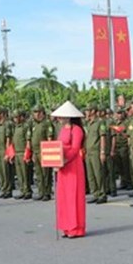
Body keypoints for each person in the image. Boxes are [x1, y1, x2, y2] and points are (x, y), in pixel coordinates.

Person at [51, 102, 86, 239]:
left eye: (61, 116)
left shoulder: (76, 130)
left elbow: (75, 149)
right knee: (64, 197)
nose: (59, 118)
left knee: (74, 196)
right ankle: (66, 226)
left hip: (73, 165)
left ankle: (76, 228)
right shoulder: (62, 130)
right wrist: (55, 161)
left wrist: (64, 161)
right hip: (63, 167)